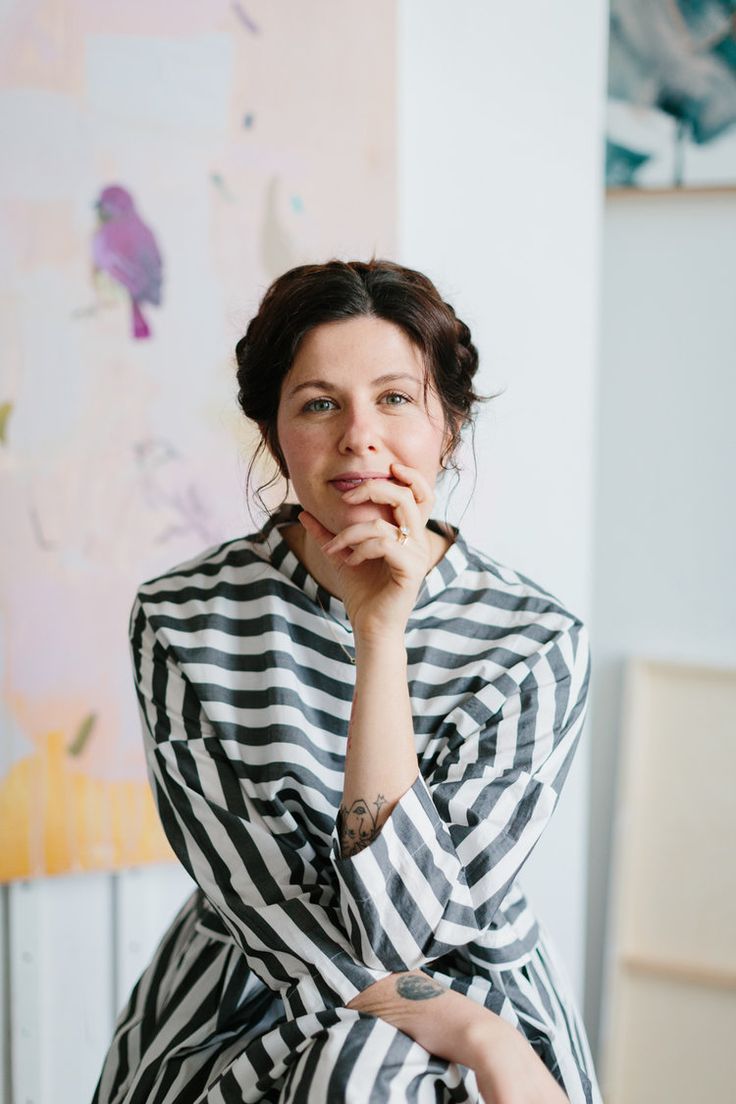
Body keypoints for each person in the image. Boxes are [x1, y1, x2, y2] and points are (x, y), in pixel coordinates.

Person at [93, 259, 602, 1103]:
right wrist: (480, 1039)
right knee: (357, 1066)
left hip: (473, 980)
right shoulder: (184, 619)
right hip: (252, 995)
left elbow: (417, 930)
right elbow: (273, 913)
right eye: (319, 404)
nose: (360, 436)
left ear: (451, 424)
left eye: (396, 399)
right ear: (272, 432)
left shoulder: (536, 641)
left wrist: (381, 631)